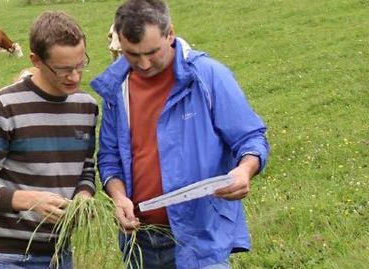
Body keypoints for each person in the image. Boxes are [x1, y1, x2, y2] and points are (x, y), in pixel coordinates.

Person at [90, 0, 270, 268]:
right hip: (140, 241)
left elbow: (251, 139)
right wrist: (119, 197)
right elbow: (109, 158)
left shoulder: (207, 76)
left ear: (170, 33)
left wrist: (245, 170)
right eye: (132, 54)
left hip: (199, 239)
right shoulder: (117, 88)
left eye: (152, 52)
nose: (144, 63)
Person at [0, 11, 98, 269]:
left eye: (80, 64)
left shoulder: (86, 107)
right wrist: (29, 201)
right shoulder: (2, 106)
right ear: (36, 60)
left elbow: (85, 169)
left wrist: (83, 195)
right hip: (8, 256)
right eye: (63, 69)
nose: (75, 77)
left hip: (60, 253)